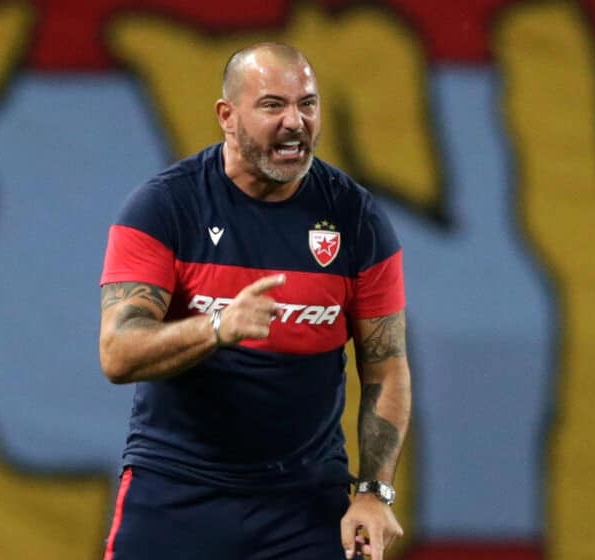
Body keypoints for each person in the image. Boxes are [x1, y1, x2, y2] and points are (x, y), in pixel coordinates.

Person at [98, 42, 412, 560]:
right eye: (273, 105)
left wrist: (374, 494)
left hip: (304, 504)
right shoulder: (164, 207)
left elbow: (386, 367)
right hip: (176, 492)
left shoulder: (357, 220)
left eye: (307, 104)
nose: (295, 122)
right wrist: (216, 327)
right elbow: (117, 352)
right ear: (227, 116)